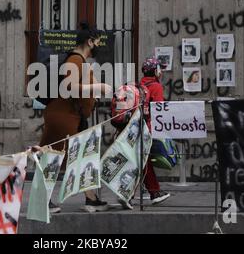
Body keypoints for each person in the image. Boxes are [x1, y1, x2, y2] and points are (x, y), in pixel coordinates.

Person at [39, 21, 112, 214]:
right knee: (54, 159)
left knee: (79, 156)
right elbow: (69, 87)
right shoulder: (75, 60)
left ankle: (91, 199)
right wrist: (99, 88)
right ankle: (42, 201)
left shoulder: (81, 62)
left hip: (71, 117)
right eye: (97, 42)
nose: (99, 46)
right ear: (90, 42)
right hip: (63, 117)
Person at [119, 57, 171, 209]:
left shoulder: (139, 85)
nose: (161, 72)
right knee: (141, 162)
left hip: (133, 128)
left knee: (142, 161)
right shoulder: (156, 86)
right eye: (160, 69)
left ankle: (153, 193)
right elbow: (159, 109)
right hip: (147, 129)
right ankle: (129, 194)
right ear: (156, 71)